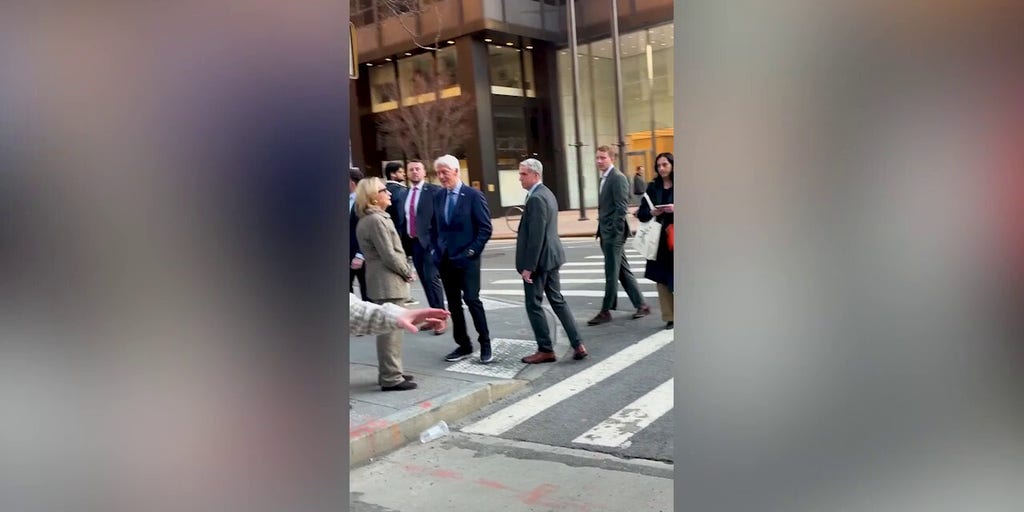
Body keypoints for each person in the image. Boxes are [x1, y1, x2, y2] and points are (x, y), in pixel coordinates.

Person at [515, 158, 588, 363]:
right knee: (557, 300)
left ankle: (545, 349)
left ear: (535, 175)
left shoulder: (537, 198)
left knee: (533, 304)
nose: (520, 178)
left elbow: (536, 236)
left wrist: (529, 267)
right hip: (551, 257)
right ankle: (578, 344)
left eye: (523, 174)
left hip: (539, 261)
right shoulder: (547, 193)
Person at [428, 154, 494, 364]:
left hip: (468, 260)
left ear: (456, 171)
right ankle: (463, 344)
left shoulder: (473, 196)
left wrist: (471, 252)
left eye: (444, 172)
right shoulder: (438, 196)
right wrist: (435, 251)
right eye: (438, 173)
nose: (441, 177)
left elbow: (485, 229)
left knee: (472, 300)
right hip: (446, 260)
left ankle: (485, 343)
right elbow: (435, 228)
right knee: (454, 304)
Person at [355, 177, 418, 391]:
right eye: (384, 190)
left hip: (383, 281)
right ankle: (391, 377)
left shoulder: (373, 218)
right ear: (374, 196)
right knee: (390, 333)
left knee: (391, 332)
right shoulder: (376, 220)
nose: (390, 193)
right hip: (387, 283)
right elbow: (389, 254)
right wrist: (406, 271)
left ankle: (392, 372)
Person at [588, 145, 650, 325]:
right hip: (606, 232)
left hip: (613, 234)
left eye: (603, 158)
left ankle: (606, 310)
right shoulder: (605, 178)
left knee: (611, 272)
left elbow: (621, 208)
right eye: (598, 158)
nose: (599, 161)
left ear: (612, 159)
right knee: (622, 271)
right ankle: (642, 305)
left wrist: (613, 232)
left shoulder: (618, 178)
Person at [398, 159, 447, 333]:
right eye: (411, 170)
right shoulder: (405, 194)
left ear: (424, 172)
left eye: (418, 169)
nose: (414, 172)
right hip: (413, 243)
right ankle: (432, 316)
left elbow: (441, 218)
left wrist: (438, 243)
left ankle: (441, 319)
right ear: (407, 173)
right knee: (425, 281)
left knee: (432, 279)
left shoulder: (434, 191)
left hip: (430, 244)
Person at [635, 152, 675, 329]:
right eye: (659, 165)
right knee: (662, 278)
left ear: (672, 165)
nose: (662, 168)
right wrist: (652, 212)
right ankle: (670, 316)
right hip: (659, 239)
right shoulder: (652, 188)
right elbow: (642, 213)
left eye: (665, 164)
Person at [383, 161, 417, 306]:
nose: (403, 173)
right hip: (401, 235)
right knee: (404, 265)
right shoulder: (402, 191)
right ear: (392, 174)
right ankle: (405, 295)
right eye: (400, 171)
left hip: (387, 233)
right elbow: (403, 216)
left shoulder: (383, 190)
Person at [349, 293, 449, 336]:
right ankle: (392, 376)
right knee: (391, 340)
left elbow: (355, 312)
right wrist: (405, 271)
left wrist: (397, 315)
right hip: (389, 284)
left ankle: (392, 375)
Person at [349, 167, 368, 301]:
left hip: (360, 256)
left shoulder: (364, 202)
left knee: (367, 293)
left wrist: (361, 254)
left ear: (352, 183)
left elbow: (367, 231)